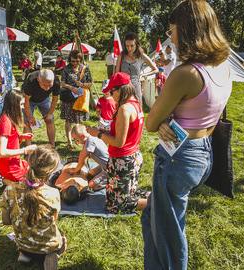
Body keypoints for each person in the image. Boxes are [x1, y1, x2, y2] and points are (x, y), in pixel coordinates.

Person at [141, 0, 232, 269]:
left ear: (186, 29)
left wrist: (162, 121)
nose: (171, 39)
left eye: (172, 30)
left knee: (169, 234)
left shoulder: (185, 74)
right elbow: (206, 107)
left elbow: (150, 122)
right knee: (152, 217)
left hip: (178, 158)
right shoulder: (224, 67)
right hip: (204, 152)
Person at [87, 72, 147, 214]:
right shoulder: (135, 103)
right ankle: (157, 198)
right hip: (132, 156)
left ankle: (158, 202)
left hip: (123, 160)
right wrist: (104, 131)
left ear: (120, 89)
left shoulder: (124, 109)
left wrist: (99, 135)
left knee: (115, 206)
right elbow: (125, 134)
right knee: (117, 198)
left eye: (112, 91)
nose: (111, 94)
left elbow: (119, 142)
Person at [0, 145, 66, 270]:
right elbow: (53, 221)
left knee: (27, 240)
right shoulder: (53, 193)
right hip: (47, 245)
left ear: (29, 161)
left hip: (23, 244)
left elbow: (6, 221)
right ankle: (50, 256)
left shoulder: (10, 189)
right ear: (50, 172)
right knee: (62, 238)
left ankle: (25, 255)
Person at [0, 89, 37, 183]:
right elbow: (1, 152)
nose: (23, 108)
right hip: (10, 168)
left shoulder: (5, 117)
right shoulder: (6, 122)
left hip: (14, 163)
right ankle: (5, 181)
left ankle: (5, 180)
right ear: (14, 105)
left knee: (33, 170)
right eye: (21, 104)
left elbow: (7, 138)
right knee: (32, 182)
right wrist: (25, 150)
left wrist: (20, 136)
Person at [60, 50, 93, 149]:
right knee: (68, 120)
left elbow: (90, 83)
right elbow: (62, 83)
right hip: (69, 98)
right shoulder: (66, 69)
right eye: (73, 61)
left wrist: (82, 84)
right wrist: (71, 88)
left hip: (80, 98)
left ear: (80, 60)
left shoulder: (85, 68)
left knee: (79, 121)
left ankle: (80, 140)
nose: (75, 63)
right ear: (70, 60)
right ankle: (69, 141)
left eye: (77, 61)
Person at [115, 32, 158, 106]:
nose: (129, 48)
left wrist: (143, 75)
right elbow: (116, 74)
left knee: (137, 112)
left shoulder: (141, 56)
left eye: (132, 45)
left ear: (136, 44)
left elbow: (155, 69)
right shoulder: (121, 56)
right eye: (127, 46)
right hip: (123, 89)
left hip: (136, 89)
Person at [22, 69, 60, 148]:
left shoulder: (56, 81)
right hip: (29, 100)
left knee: (50, 120)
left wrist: (50, 113)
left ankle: (52, 146)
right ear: (38, 79)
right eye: (44, 85)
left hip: (44, 99)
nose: (47, 88)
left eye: (50, 85)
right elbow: (26, 101)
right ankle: (29, 149)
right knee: (27, 123)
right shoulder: (31, 80)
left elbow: (55, 99)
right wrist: (29, 117)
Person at [69, 124, 109, 191]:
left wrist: (75, 170)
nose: (77, 142)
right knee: (90, 174)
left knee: (91, 186)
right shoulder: (88, 138)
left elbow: (83, 160)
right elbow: (82, 154)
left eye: (77, 140)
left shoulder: (90, 141)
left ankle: (110, 180)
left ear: (83, 136)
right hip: (104, 165)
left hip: (108, 168)